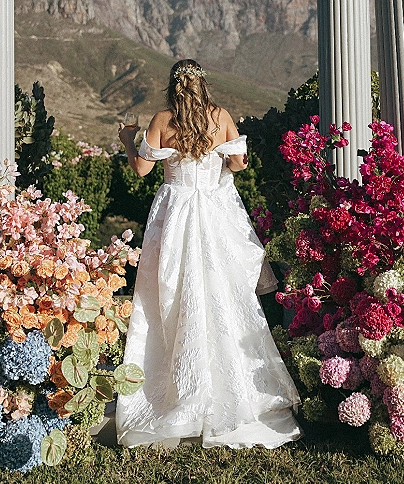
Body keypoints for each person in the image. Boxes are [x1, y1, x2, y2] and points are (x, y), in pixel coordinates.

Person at [115, 59, 301, 449]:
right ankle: (236, 390)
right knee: (224, 294)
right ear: (203, 85)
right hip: (215, 216)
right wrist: (224, 155)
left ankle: (178, 390)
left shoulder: (163, 119)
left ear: (173, 87)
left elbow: (142, 171)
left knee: (173, 293)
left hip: (177, 214)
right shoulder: (220, 117)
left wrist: (127, 138)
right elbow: (237, 162)